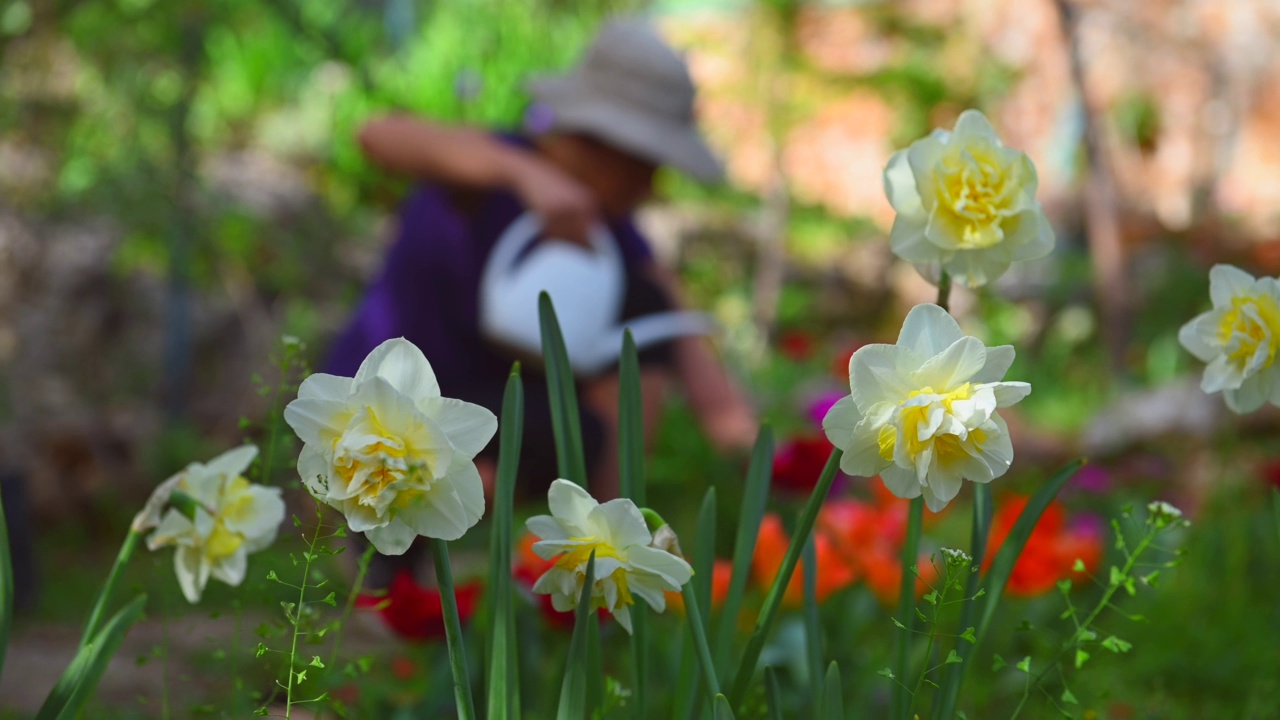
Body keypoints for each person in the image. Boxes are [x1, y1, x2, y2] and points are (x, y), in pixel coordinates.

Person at [327, 17, 756, 594]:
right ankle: (395, 556)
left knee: (641, 306)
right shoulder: (486, 168)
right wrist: (524, 175)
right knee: (455, 465)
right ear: (605, 146)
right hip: (395, 409)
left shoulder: (612, 233)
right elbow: (377, 135)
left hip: (503, 418)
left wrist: (743, 437)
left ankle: (603, 547)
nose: (651, 187)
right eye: (647, 166)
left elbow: (673, 324)